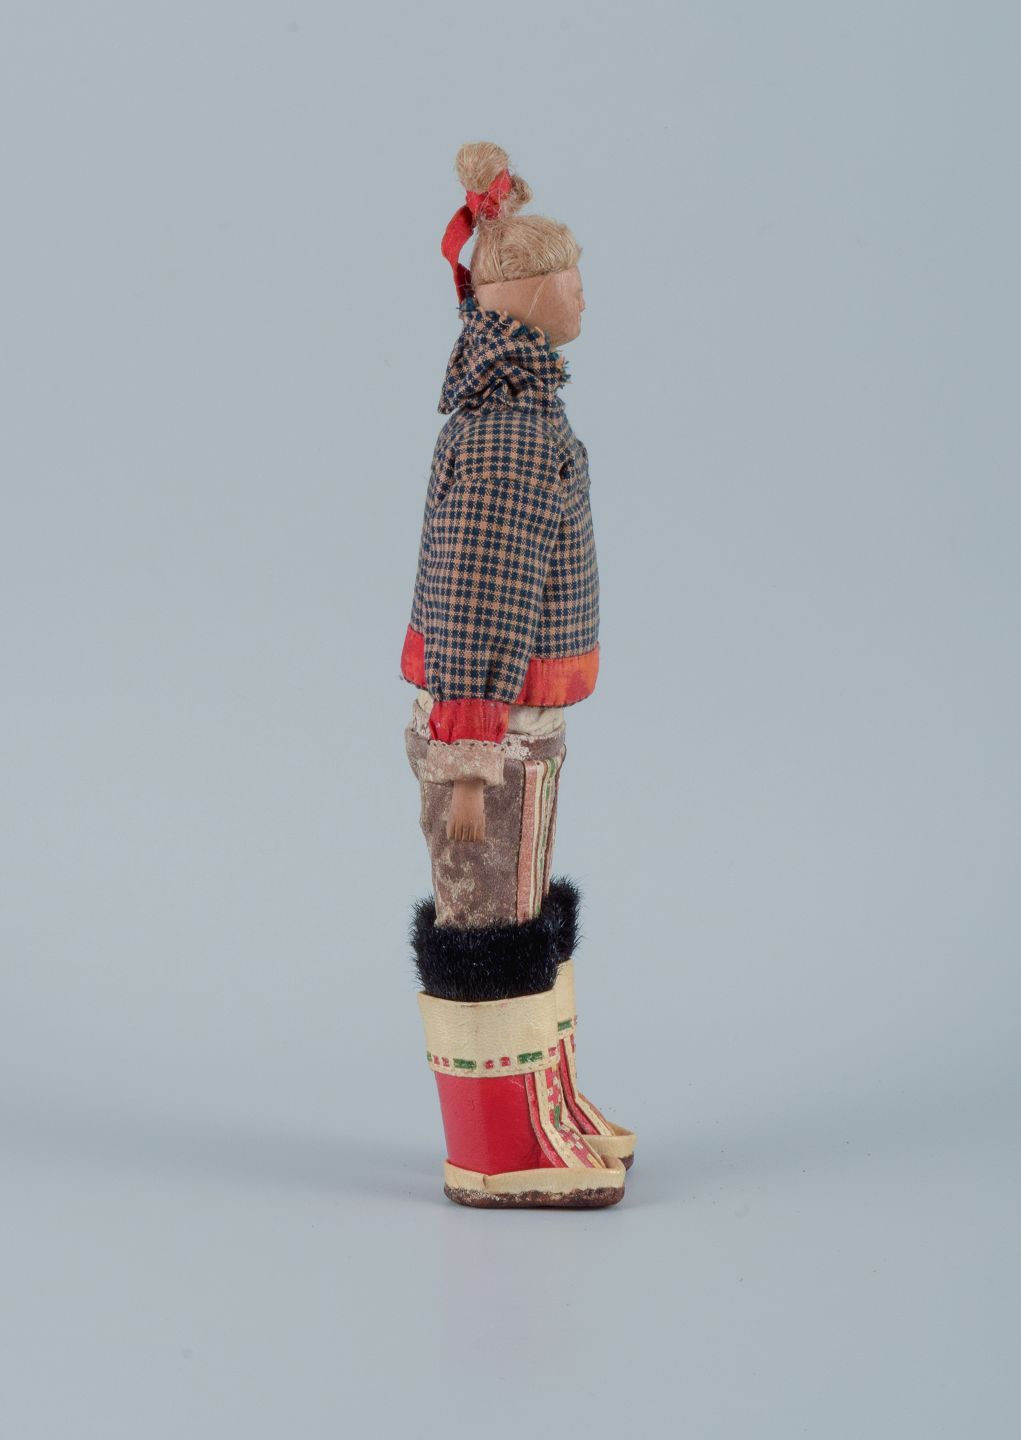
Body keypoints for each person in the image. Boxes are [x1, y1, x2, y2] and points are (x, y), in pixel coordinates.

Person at [401, 142, 635, 1208]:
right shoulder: (509, 430)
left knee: (518, 906)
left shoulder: (523, 410)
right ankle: (497, 1149)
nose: (584, 294)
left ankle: (547, 1102)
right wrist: (468, 753)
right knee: (487, 923)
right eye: (571, 276)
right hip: (488, 732)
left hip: (510, 727)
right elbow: (479, 597)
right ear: (530, 294)